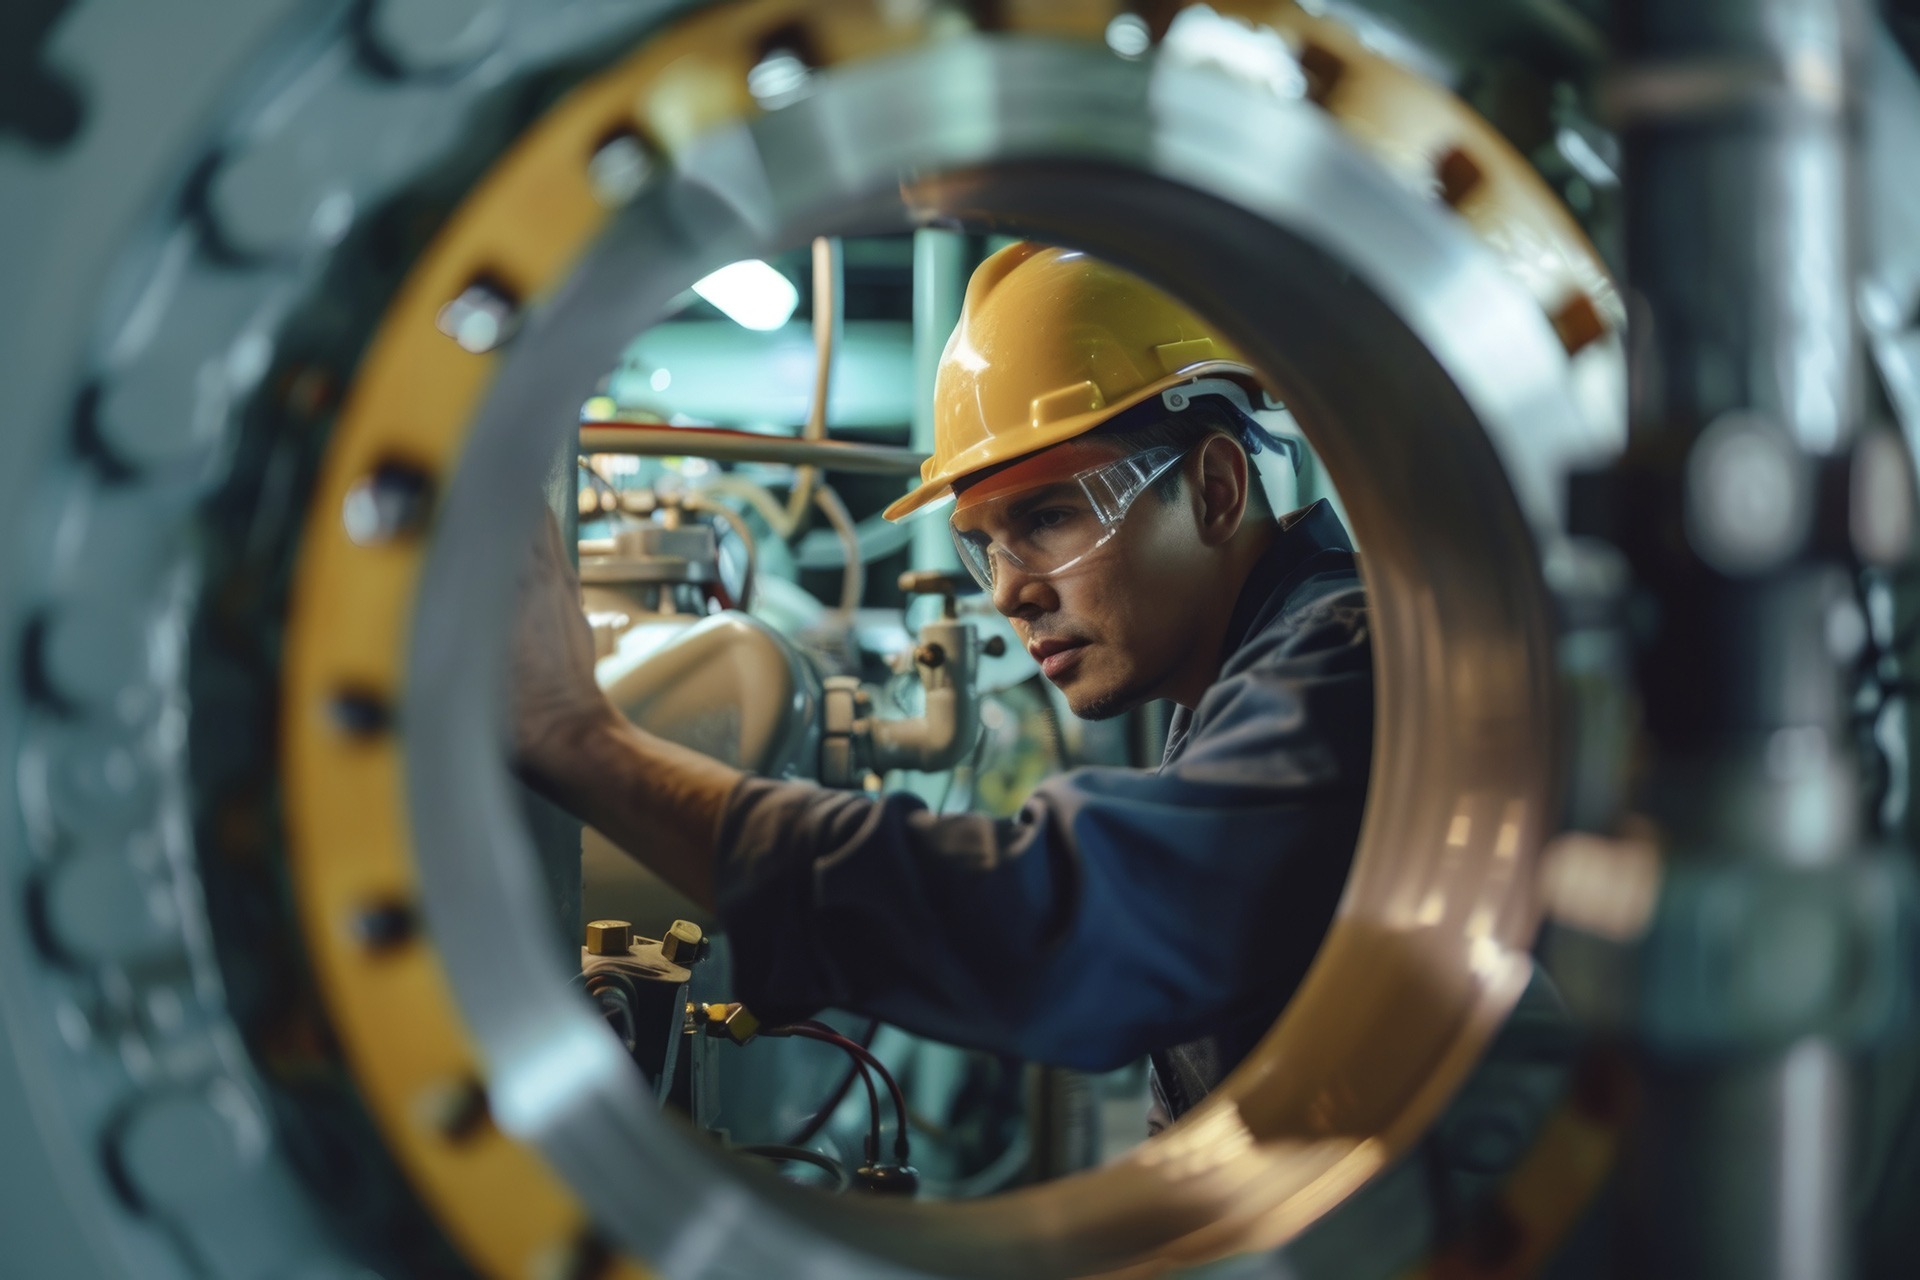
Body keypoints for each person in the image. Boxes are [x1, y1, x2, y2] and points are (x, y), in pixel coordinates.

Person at [514, 242, 1372, 1128]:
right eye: (985, 545)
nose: (1008, 591)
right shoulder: (1248, 674)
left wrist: (581, 739)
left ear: (1217, 489)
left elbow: (1072, 932)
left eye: (1047, 517)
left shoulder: (1343, 662)